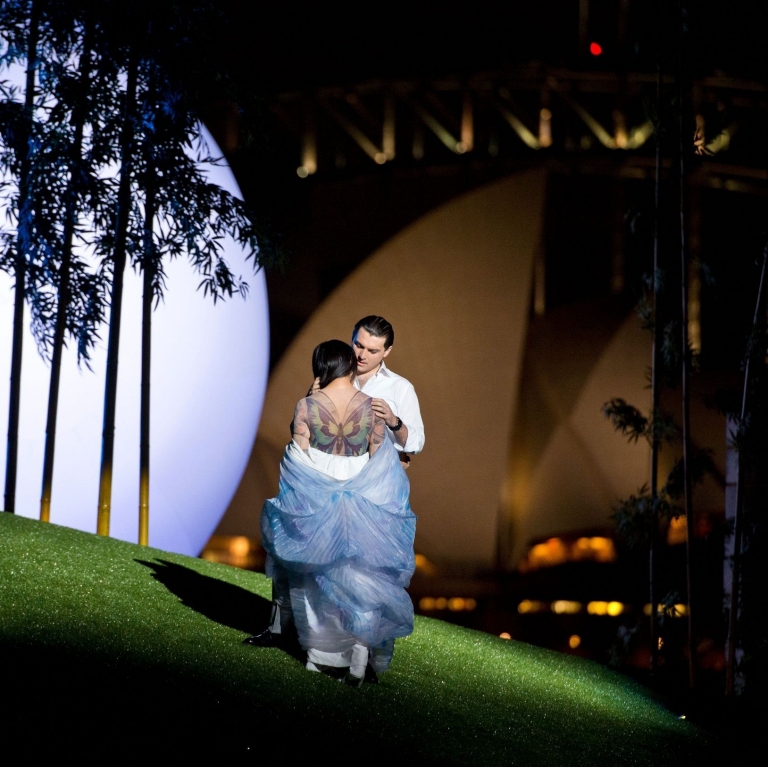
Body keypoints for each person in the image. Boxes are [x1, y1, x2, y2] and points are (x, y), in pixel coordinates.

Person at [254, 340, 416, 686]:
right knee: (358, 574)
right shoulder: (371, 407)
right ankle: (358, 654)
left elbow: (297, 453)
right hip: (360, 487)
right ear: (348, 365)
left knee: (317, 575)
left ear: (322, 366)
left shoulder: (307, 405)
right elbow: (379, 454)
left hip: (317, 488)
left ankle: (323, 655)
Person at [310, 316, 425, 468]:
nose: (362, 356)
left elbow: (416, 444)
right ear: (351, 338)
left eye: (372, 351)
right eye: (358, 345)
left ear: (387, 351)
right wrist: (311, 401)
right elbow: (300, 431)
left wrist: (393, 421)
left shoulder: (401, 387)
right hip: (329, 474)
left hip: (376, 480)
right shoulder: (331, 376)